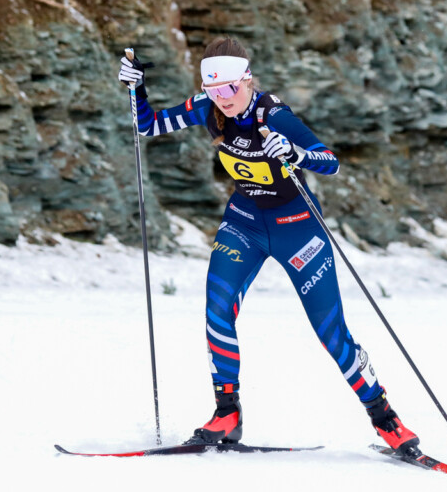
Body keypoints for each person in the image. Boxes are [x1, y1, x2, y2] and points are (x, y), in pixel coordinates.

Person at [118, 37, 420, 454]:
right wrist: (137, 89)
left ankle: (386, 419)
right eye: (213, 90)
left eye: (229, 89)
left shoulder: (273, 113)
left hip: (298, 230)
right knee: (217, 311)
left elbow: (328, 161)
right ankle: (227, 413)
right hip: (244, 222)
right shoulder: (207, 107)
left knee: (331, 334)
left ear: (247, 80)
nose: (222, 99)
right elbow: (148, 125)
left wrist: (295, 152)